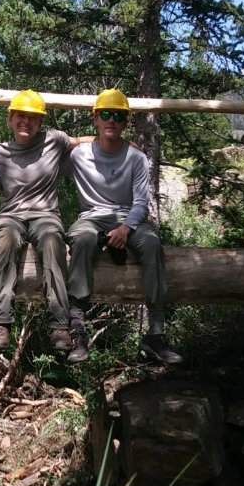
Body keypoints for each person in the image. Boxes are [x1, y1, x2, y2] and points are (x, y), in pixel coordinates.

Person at [64, 88, 183, 365]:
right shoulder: (79, 155)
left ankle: (156, 332)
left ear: (126, 122)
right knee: (81, 240)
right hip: (91, 217)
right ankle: (77, 329)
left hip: (127, 217)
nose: (111, 120)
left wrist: (125, 229)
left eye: (118, 115)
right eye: (105, 114)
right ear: (95, 118)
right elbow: (49, 146)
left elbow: (142, 202)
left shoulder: (136, 158)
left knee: (153, 244)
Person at [0, 89, 89, 351]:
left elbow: (83, 141)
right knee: (5, 241)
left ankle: (59, 326)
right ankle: (1, 322)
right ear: (10, 119)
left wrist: (123, 143)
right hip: (11, 215)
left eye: (33, 117)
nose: (26, 121)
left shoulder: (54, 140)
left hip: (46, 215)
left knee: (52, 242)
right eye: (20, 116)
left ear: (40, 122)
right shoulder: (1, 151)